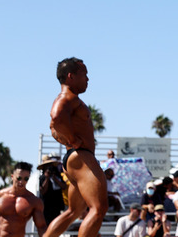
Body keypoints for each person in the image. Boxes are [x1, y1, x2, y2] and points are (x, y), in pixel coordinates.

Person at [45, 57, 108, 237]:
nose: (88, 79)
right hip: (81, 158)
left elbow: (53, 128)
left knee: (73, 212)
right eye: (84, 74)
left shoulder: (68, 99)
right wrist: (73, 139)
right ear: (71, 76)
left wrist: (68, 140)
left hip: (74, 158)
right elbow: (56, 118)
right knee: (98, 208)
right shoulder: (68, 97)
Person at [0, 162, 47, 237]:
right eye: (19, 178)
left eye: (26, 179)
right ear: (12, 177)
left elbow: (41, 227)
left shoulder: (34, 201)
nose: (21, 182)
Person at [37, 154, 65, 225]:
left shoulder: (57, 176)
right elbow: (43, 191)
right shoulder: (42, 178)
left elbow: (64, 186)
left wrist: (54, 178)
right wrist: (47, 178)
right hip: (46, 208)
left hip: (56, 207)